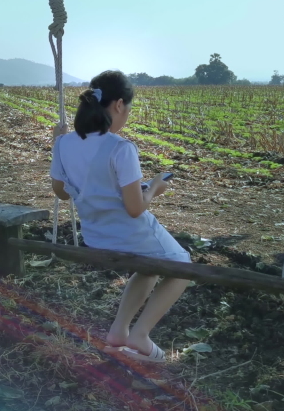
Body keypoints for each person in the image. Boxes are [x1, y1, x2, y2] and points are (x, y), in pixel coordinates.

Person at [49, 70, 190, 363]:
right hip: (131, 234)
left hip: (96, 236)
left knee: (150, 267)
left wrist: (56, 143)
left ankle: (118, 331)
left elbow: (62, 193)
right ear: (118, 106)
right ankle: (140, 336)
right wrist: (154, 188)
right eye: (128, 109)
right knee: (181, 265)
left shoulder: (63, 143)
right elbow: (135, 209)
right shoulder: (121, 148)